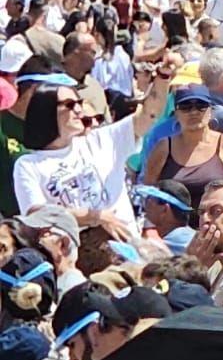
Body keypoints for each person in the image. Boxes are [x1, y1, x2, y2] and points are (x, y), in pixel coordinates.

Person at [15, 57, 178, 234]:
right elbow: (36, 215)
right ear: (46, 111)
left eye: (79, 103)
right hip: (75, 257)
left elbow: (149, 114)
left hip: (128, 252)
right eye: (70, 105)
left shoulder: (103, 139)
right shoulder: (28, 165)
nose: (79, 110)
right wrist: (95, 217)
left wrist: (162, 77)